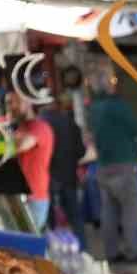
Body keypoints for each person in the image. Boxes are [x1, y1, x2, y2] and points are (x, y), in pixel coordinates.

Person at [88, 67, 137, 265]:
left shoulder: (93, 109)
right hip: (122, 165)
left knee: (109, 212)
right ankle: (132, 251)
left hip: (103, 166)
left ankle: (111, 252)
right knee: (131, 210)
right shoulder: (118, 107)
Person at [41, 94, 87, 244]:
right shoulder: (70, 123)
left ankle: (54, 256)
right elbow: (81, 151)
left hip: (48, 179)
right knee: (75, 218)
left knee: (49, 222)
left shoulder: (40, 124)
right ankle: (82, 251)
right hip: (69, 178)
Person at [8, 92, 54, 232]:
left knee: (28, 246)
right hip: (23, 196)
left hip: (34, 197)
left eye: (16, 102)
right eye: (10, 103)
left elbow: (22, 145)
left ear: (29, 103)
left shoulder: (39, 127)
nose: (12, 106)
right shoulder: (22, 128)